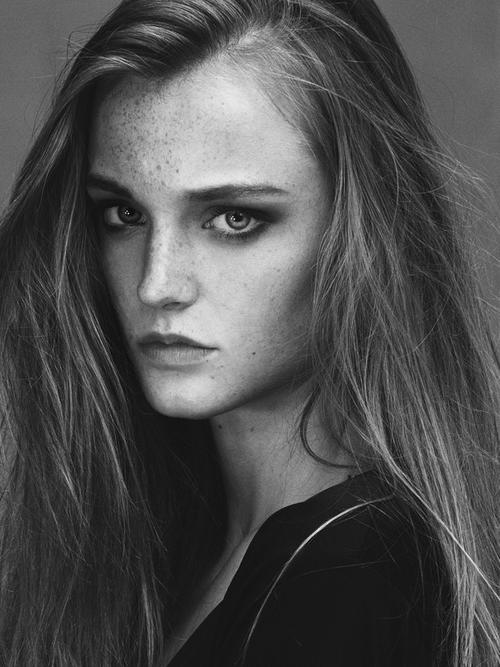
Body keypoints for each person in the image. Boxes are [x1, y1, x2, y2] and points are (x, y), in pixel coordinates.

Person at [0, 0, 499, 665]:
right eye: (124, 214)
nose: (156, 284)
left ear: (363, 232)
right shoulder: (161, 539)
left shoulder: (353, 580)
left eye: (234, 218)